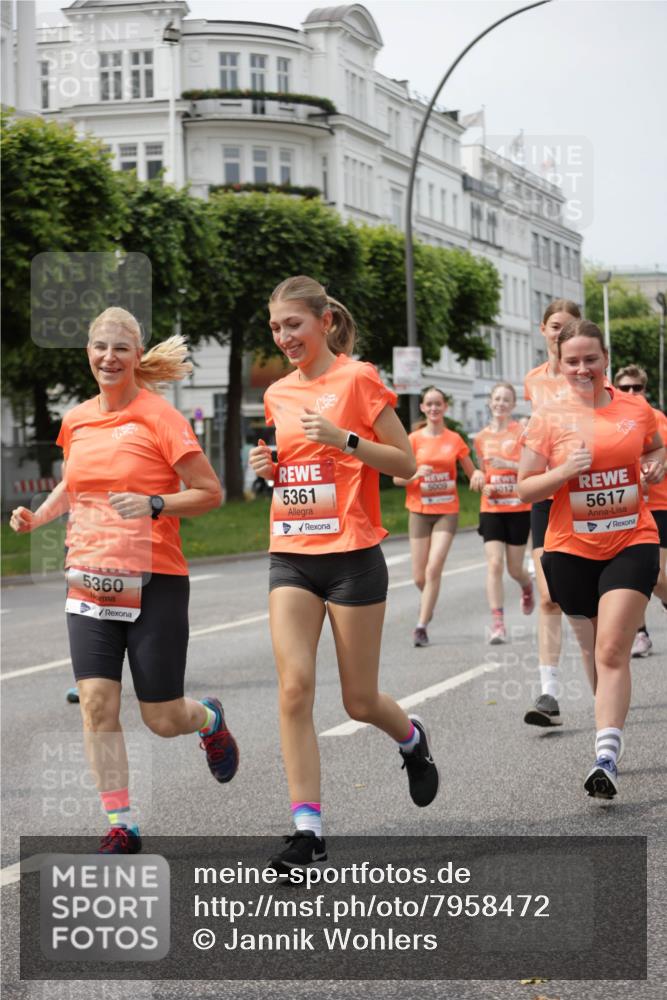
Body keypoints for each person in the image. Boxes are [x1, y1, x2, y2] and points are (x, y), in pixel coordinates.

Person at [10, 307, 239, 853]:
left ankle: (207, 720)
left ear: (138, 356)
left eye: (120, 348)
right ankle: (122, 823)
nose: (109, 357)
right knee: (96, 704)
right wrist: (39, 516)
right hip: (88, 576)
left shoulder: (160, 417)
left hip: (154, 578)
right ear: (88, 352)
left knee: (161, 718)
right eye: (100, 347)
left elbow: (210, 492)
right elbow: (74, 484)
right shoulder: (78, 419)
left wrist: (155, 502)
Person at [249, 276, 439, 875]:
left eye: (293, 326)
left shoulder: (358, 378)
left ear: (323, 322)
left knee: (358, 701)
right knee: (293, 689)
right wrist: (271, 469)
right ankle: (309, 831)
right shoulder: (277, 393)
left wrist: (346, 438)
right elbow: (298, 474)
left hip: (353, 557)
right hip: (292, 554)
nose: (284, 338)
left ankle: (411, 739)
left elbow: (407, 463)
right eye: (277, 328)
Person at [518, 319, 663, 799]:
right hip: (569, 549)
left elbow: (658, 446)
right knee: (590, 646)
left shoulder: (636, 410)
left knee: (611, 650)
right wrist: (562, 471)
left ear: (605, 360)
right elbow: (525, 487)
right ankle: (608, 731)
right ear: (559, 363)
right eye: (572, 360)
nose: (582, 368)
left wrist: (656, 463)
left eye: (591, 359)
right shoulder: (548, 417)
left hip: (631, 539)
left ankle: (606, 756)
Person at [522, 299, 582, 725]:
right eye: (555, 327)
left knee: (589, 599)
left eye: (569, 327)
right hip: (547, 492)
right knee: (548, 595)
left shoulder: (586, 372)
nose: (560, 334)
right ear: (542, 329)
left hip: (586, 495)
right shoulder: (533, 380)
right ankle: (549, 694)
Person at [393, 386, 484, 647]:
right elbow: (397, 477)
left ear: (445, 407)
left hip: (447, 510)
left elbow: (472, 472)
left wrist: (478, 476)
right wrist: (415, 475)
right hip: (419, 511)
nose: (433, 408)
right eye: (428, 404)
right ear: (422, 407)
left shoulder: (455, 439)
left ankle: (421, 626)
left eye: (438, 404)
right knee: (419, 577)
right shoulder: (413, 440)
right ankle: (428, 605)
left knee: (434, 568)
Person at [474, 382, 535, 644]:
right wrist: (480, 480)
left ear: (513, 405)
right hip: (492, 509)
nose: (500, 403)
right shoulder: (480, 438)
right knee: (495, 564)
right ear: (490, 401)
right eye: (496, 398)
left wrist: (508, 464)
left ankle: (526, 585)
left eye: (506, 400)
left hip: (519, 508)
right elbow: (481, 472)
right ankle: (498, 623)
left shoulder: (521, 432)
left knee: (514, 568)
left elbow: (533, 466)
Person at [613, 364, 667, 656]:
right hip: (625, 508)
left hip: (659, 505)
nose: (632, 393)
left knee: (656, 577)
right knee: (635, 576)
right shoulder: (612, 420)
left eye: (637, 387)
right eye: (625, 388)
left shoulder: (657, 419)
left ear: (645, 390)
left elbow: (662, 455)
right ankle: (641, 633)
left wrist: (657, 468)